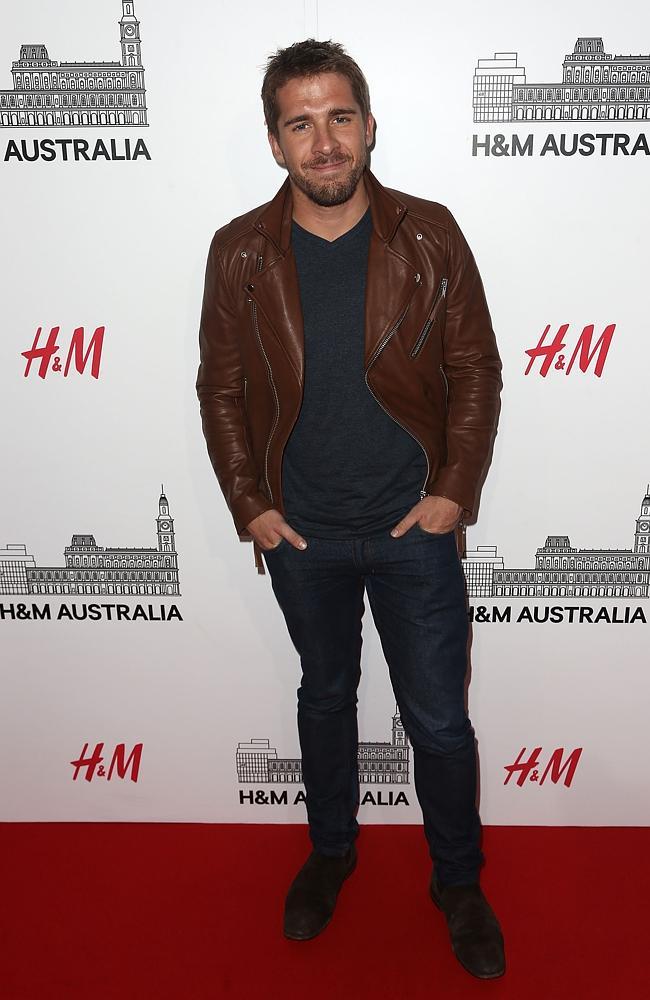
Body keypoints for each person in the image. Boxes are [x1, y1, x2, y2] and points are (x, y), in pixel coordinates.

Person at [196, 39, 504, 979]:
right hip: (302, 532)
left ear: (369, 125)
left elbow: (473, 371)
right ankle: (331, 853)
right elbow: (222, 387)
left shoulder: (430, 232)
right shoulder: (240, 249)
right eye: (301, 123)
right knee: (325, 698)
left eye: (339, 118)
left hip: (415, 528)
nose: (323, 142)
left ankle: (457, 881)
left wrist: (456, 487)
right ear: (275, 141)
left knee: (439, 723)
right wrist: (249, 502)